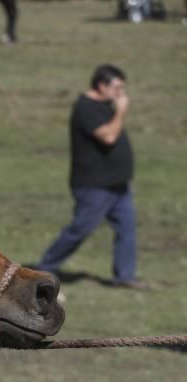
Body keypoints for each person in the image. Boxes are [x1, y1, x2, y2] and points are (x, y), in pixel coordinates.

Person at [34, 64, 146, 289]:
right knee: (80, 229)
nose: (121, 94)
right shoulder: (86, 108)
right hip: (95, 185)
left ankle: (125, 276)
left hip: (117, 184)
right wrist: (122, 109)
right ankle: (43, 269)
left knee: (127, 229)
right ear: (101, 85)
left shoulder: (105, 105)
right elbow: (108, 137)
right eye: (117, 88)